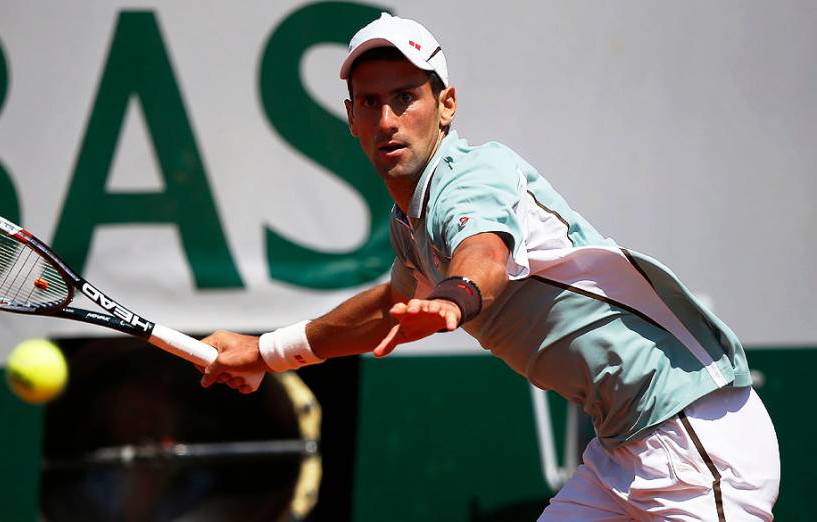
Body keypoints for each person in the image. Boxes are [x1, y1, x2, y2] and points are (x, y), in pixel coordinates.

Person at [200, 13, 780, 520]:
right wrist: (266, 352)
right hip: (621, 450)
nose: (387, 120)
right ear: (351, 118)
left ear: (446, 105)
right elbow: (386, 311)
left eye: (406, 97)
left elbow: (485, 256)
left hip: (693, 431)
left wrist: (453, 300)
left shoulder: (469, 179)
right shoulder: (412, 221)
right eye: (371, 103)